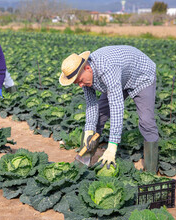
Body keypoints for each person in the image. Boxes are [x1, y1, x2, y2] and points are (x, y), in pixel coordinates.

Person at [59, 45, 159, 173]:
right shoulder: (84, 76)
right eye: (77, 83)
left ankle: (151, 171)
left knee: (146, 122)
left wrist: (112, 146)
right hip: (120, 77)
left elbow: (116, 107)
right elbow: (91, 103)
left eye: (80, 81)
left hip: (141, 76)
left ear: (88, 68)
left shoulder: (106, 69)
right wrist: (89, 130)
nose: (80, 85)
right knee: (98, 117)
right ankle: (83, 161)